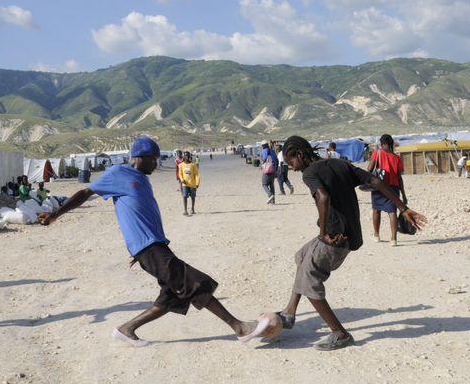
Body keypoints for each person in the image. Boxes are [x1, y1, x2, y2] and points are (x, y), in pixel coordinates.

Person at [39, 136, 264, 347]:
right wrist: (57, 214)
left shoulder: (142, 180)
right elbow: (85, 192)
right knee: (194, 282)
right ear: (139, 158)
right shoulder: (118, 173)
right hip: (149, 248)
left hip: (154, 246)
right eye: (153, 160)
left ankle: (127, 329)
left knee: (170, 297)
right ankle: (239, 327)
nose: (156, 164)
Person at [273, 136, 426, 350]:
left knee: (309, 279)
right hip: (351, 235)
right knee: (302, 256)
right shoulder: (341, 164)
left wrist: (323, 232)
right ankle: (289, 313)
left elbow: (323, 198)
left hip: (335, 237)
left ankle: (340, 334)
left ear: (299, 154)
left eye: (291, 161)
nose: (291, 166)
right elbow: (376, 182)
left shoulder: (310, 173)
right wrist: (403, 208)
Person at [367, 134, 407, 246]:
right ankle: (393, 239)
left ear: (382, 143)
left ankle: (376, 235)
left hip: (379, 185)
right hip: (393, 187)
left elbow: (370, 168)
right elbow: (399, 177)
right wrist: (403, 194)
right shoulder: (397, 158)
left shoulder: (377, 152)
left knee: (376, 210)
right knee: (392, 212)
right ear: (391, 143)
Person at [178, 150, 200, 215]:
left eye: (187, 155)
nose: (186, 157)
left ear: (189, 156)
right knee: (184, 196)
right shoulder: (181, 165)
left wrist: (197, 183)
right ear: (183, 156)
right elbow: (180, 174)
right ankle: (185, 210)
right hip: (185, 184)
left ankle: (192, 209)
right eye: (185, 155)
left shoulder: (193, 165)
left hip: (192, 184)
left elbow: (197, 174)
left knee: (193, 197)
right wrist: (182, 180)